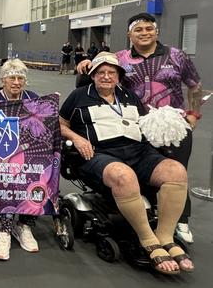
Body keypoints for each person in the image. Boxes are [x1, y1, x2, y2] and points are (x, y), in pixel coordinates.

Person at [60, 52, 194, 275]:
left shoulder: (130, 96)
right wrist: (76, 138)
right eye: (100, 72)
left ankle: (166, 237)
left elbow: (145, 124)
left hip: (137, 151)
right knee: (124, 176)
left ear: (119, 76)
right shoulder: (79, 96)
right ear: (92, 75)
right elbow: (60, 123)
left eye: (111, 72)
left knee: (176, 171)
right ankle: (148, 239)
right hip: (100, 153)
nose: (106, 76)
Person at [77, 13, 202, 243]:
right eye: (138, 30)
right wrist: (87, 61)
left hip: (173, 128)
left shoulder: (176, 56)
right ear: (129, 35)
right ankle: (144, 217)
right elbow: (102, 68)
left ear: (156, 32)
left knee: (176, 171)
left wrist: (194, 115)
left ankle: (180, 221)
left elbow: (195, 86)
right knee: (145, 170)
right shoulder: (121, 58)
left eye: (148, 28)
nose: (144, 33)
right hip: (137, 126)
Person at [0, 59, 40, 260]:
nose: (16, 82)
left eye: (20, 78)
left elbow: (42, 126)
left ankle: (24, 225)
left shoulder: (33, 99)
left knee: (37, 174)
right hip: (0, 154)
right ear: (2, 79)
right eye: (12, 78)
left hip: (28, 152)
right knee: (6, 174)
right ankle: (4, 229)